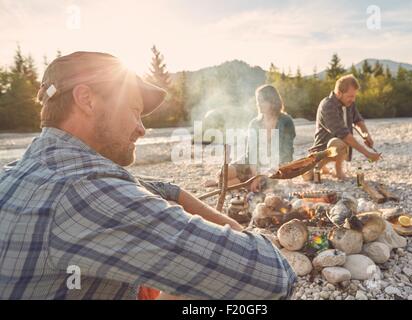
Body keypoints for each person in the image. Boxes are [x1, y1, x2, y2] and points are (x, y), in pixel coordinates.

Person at [0, 51, 296, 299]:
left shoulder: (16, 173)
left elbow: (128, 186)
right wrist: (240, 231)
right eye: (134, 110)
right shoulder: (88, 193)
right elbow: (274, 277)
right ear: (86, 99)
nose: (141, 128)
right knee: (202, 285)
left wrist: (175, 193)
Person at [205, 84, 296, 192]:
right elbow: (251, 153)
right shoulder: (254, 123)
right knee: (222, 174)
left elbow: (286, 154)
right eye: (257, 101)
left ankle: (240, 183)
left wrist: (267, 175)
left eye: (262, 101)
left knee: (227, 185)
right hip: (252, 163)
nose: (258, 104)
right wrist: (255, 176)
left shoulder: (286, 121)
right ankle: (240, 182)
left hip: (274, 167)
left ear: (272, 101)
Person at [307, 74, 381, 180]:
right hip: (322, 150)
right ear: (339, 93)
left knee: (341, 144)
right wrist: (367, 154)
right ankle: (320, 165)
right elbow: (344, 135)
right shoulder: (327, 106)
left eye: (355, 96)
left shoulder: (349, 103)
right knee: (308, 177)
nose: (353, 99)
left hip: (336, 148)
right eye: (350, 96)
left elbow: (358, 120)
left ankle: (335, 170)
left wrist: (366, 135)